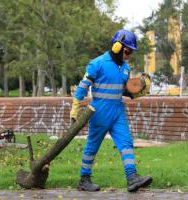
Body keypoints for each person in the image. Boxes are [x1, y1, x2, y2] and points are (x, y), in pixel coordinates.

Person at [70, 29, 152, 192]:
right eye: (127, 51)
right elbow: (83, 86)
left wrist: (139, 90)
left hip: (118, 110)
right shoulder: (97, 64)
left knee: (126, 143)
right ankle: (84, 179)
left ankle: (132, 178)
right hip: (99, 111)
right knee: (92, 146)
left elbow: (124, 90)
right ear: (117, 47)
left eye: (131, 52)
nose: (129, 55)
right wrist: (75, 108)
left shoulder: (126, 68)